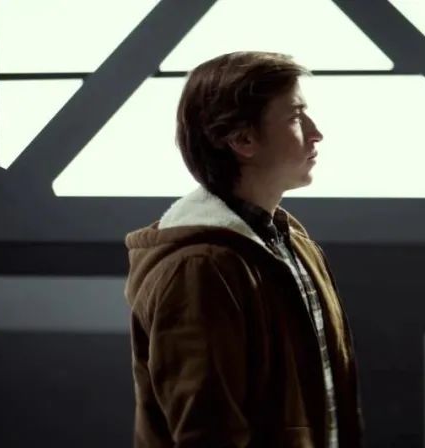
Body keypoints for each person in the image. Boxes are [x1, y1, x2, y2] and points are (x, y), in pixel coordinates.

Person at [124, 51, 362, 447]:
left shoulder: (290, 241)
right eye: (295, 117)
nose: (316, 132)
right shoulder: (198, 268)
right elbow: (207, 433)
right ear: (242, 139)